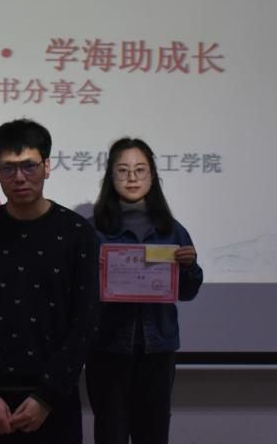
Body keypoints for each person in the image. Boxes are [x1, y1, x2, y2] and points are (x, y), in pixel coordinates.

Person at [0, 118, 98, 443]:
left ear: (47, 167)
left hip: (55, 401)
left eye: (29, 166)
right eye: (8, 168)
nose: (19, 177)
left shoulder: (77, 233)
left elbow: (85, 322)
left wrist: (47, 395)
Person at [84, 138, 203, 444]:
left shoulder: (172, 230)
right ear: (111, 176)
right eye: (123, 170)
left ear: (152, 176)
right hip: (107, 348)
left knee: (153, 434)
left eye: (140, 170)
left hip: (157, 351)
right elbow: (74, 294)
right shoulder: (91, 230)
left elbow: (188, 292)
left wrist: (189, 266)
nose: (132, 178)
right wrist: (90, 272)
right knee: (110, 433)